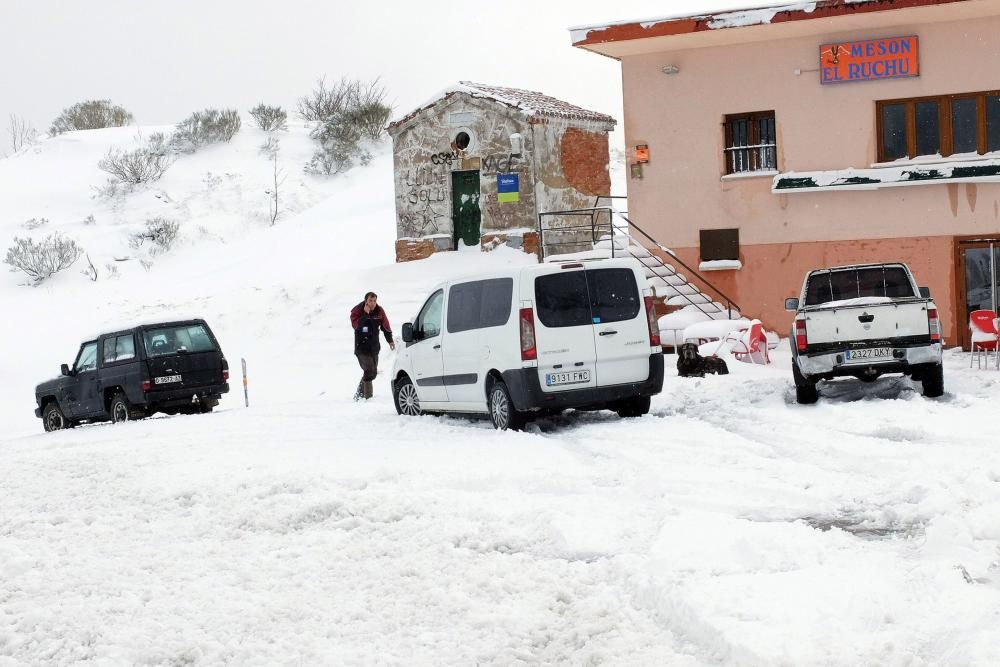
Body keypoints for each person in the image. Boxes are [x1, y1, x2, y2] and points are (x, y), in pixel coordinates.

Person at [350, 292, 395, 400]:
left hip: (374, 347)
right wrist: (365, 314)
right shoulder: (357, 310)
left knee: (372, 372)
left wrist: (390, 341)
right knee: (369, 370)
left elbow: (385, 325)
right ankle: (368, 397)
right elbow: (356, 325)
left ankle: (359, 395)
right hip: (361, 347)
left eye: (374, 301)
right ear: (366, 301)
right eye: (370, 301)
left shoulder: (380, 311)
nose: (373, 303)